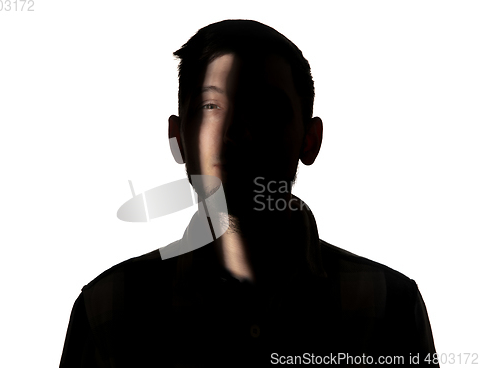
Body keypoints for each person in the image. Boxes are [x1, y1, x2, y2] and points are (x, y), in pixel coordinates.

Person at [60, 20, 438, 367]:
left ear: (310, 140)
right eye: (211, 107)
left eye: (266, 109)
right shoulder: (110, 309)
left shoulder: (389, 305)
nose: (235, 131)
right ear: (178, 139)